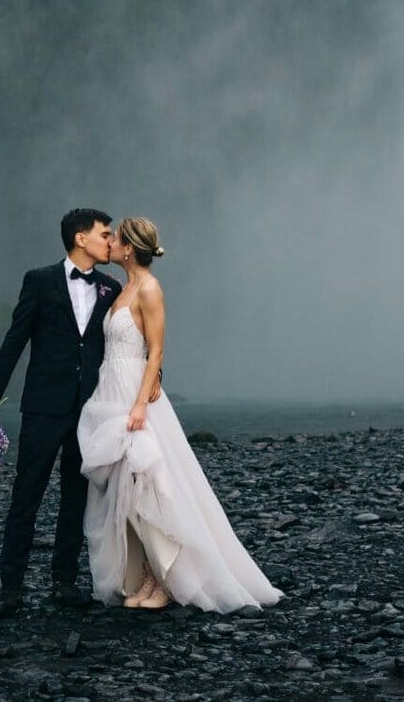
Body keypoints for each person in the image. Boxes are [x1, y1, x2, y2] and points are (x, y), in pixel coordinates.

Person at [77, 217, 282, 612]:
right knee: (123, 489)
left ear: (130, 248)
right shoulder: (123, 289)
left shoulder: (150, 289)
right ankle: (144, 576)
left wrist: (140, 404)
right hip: (112, 389)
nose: (111, 244)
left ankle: (163, 580)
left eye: (116, 238)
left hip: (135, 394)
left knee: (148, 486)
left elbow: (155, 349)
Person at [0, 208, 122, 619]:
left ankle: (64, 582)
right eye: (104, 234)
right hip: (43, 405)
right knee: (27, 494)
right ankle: (11, 587)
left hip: (89, 409)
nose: (110, 241)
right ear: (80, 238)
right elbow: (15, 340)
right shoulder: (39, 281)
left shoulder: (111, 287)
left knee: (76, 497)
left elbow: (121, 345)